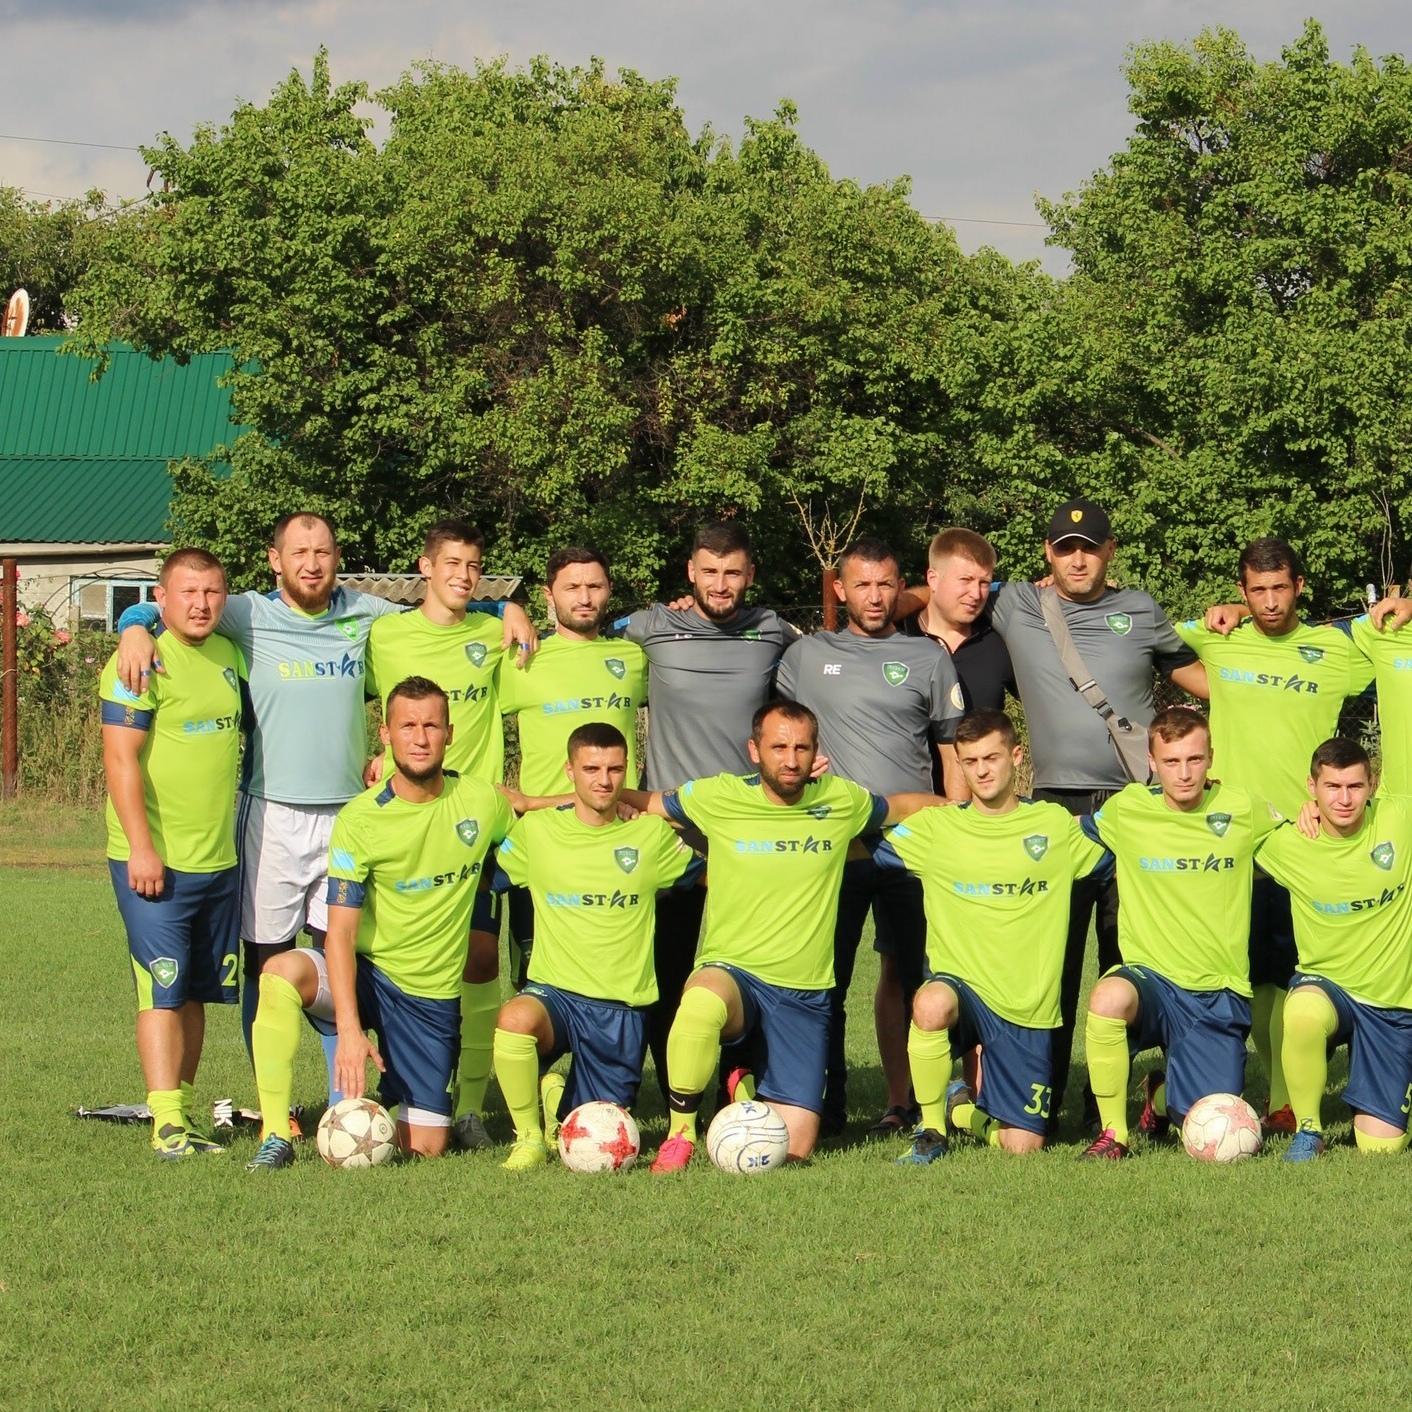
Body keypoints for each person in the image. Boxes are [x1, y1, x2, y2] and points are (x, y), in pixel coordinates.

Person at [113, 512, 534, 1115]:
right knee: (269, 962)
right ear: (275, 559)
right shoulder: (246, 614)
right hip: (271, 812)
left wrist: (504, 609)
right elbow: (176, 604)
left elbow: (440, 607)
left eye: (323, 552)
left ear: (337, 558)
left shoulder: (366, 613)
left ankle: (347, 1101)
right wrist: (132, 625)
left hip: (348, 815)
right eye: (299, 552)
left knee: (344, 955)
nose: (312, 564)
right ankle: (275, 1109)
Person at [619, 700, 941, 1170]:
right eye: (778, 747)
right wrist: (562, 802)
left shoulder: (842, 800)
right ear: (755, 750)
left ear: (815, 752)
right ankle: (680, 1134)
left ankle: (743, 1083)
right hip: (734, 972)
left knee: (794, 1147)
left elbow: (903, 806)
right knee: (701, 1001)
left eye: (801, 748)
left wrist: (965, 808)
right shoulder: (717, 796)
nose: (790, 760)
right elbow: (645, 801)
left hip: (804, 993)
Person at [986, 498, 1208, 1128]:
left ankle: (1117, 1102)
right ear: (1047, 554)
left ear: (1110, 550)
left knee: (1128, 960)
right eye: (1065, 549)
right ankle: (1042, 1100)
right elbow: (950, 588)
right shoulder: (1017, 604)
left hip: (1133, 807)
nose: (1077, 559)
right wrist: (900, 596)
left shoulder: (1141, 609)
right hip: (1054, 810)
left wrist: (1237, 615)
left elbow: (1209, 677)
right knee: (1050, 963)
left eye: (1089, 548)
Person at [243, 676, 513, 1169]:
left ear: (450, 734)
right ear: (386, 734)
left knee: (426, 1147)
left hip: (427, 998)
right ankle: (276, 1133)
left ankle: (398, 1094)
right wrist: (349, 1030)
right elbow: (340, 933)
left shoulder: (480, 801)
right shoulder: (360, 818)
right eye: (407, 726)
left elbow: (525, 823)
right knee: (281, 972)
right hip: (366, 976)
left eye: (431, 726)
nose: (420, 738)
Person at [1177, 538, 1373, 1134]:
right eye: (1256, 591)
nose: (1268, 602)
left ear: (1300, 587)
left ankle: (1304, 1095)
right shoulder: (1217, 634)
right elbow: (1140, 639)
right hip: (1228, 839)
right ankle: (1247, 1090)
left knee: (1304, 975)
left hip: (1302, 837)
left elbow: (1394, 644)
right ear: (1241, 590)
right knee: (1248, 977)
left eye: (1279, 588)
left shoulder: (1335, 649)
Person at [777, 535, 966, 1137]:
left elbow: (950, 751)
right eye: (862, 584)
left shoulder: (928, 658)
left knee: (911, 977)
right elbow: (780, 739)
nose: (875, 596)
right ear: (840, 589)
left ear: (900, 586)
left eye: (886, 584)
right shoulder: (805, 657)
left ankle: (903, 1101)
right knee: (821, 979)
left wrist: (961, 823)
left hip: (910, 845)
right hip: (830, 846)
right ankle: (823, 1103)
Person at [869, 710, 1110, 1162]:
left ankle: (961, 1111)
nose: (981, 770)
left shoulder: (1054, 825)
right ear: (960, 765)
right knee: (929, 1002)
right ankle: (931, 1130)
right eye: (971, 761)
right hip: (961, 992)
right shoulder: (935, 829)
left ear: (1016, 756)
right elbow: (859, 849)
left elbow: (1125, 851)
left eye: (991, 758)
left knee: (1023, 1147)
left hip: (1026, 1007)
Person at [611, 521, 799, 1098]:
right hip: (669, 835)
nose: (721, 584)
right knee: (666, 972)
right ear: (690, 572)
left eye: (732, 573)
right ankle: (678, 1091)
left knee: (745, 970)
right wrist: (511, 613)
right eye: (710, 572)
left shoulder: (773, 631)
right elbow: (581, 624)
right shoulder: (649, 626)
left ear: (750, 575)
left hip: (743, 841)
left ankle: (736, 1091)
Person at [490, 722, 702, 1170]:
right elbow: (481, 878)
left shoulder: (651, 836)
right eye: (591, 769)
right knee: (514, 1020)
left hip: (621, 1010)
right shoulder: (537, 832)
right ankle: (528, 1138)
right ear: (570, 771)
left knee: (593, 1133)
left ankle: (555, 1099)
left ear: (628, 771)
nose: (604, 780)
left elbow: (715, 876)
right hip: (556, 994)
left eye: (614, 769)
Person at [365, 518, 514, 1151]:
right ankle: (393, 1083)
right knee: (390, 957)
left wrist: (510, 609)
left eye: (474, 565)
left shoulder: (494, 633)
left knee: (479, 959)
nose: (463, 575)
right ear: (425, 567)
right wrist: (137, 618)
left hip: (472, 825)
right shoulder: (384, 634)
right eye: (452, 563)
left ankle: (471, 1106)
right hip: (400, 824)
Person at [1078, 706, 1277, 1159]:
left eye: (1194, 759)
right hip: (1151, 980)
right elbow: (1071, 833)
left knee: (1204, 1117)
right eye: (1171, 761)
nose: (1184, 773)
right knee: (1108, 997)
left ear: (1211, 759)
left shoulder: (1243, 809)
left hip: (1217, 989)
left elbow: (1300, 836)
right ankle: (1114, 1134)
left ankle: (1160, 1097)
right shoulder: (1127, 809)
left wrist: (1311, 815)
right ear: (1152, 762)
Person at [100, 547, 246, 1159]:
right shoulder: (138, 660)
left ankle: (182, 1112)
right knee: (160, 988)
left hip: (219, 862)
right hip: (155, 860)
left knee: (195, 992)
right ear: (160, 598)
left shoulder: (231, 655)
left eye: (212, 592)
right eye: (188, 592)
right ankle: (164, 1125)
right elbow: (119, 758)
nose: (201, 604)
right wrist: (141, 847)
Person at [497, 546, 649, 990]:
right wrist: (505, 606)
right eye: (572, 587)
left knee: (615, 976)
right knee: (534, 980)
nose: (584, 597)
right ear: (549, 595)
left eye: (594, 586)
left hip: (618, 836)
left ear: (609, 590)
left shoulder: (633, 658)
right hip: (543, 839)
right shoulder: (521, 658)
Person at [1254, 738, 1412, 1161]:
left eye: (1355, 787)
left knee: (1381, 1147)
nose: (1344, 799)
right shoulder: (1288, 843)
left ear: (1372, 784)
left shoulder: (1399, 820)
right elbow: (1220, 824)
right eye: (1332, 787)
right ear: (1312, 787)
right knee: (1302, 1013)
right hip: (1327, 986)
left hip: (1391, 1002)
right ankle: (1309, 1130)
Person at [899, 527, 1016, 715]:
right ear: (933, 579)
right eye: (965, 580)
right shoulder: (897, 637)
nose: (976, 594)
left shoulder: (999, 642)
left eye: (984, 583)